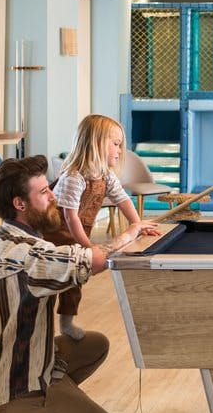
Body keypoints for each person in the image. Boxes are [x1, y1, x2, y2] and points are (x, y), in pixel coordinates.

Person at [0, 155, 159, 413]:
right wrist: (131, 232)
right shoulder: (28, 254)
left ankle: (45, 411)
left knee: (93, 344)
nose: (53, 195)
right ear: (20, 204)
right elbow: (93, 261)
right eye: (43, 192)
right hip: (16, 385)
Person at [51, 114, 156, 340]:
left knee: (74, 281)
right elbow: (70, 218)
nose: (120, 151)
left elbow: (123, 200)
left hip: (79, 231)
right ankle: (41, 324)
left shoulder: (105, 175)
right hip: (56, 234)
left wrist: (137, 224)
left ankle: (66, 323)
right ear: (97, 143)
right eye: (116, 144)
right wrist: (89, 248)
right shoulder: (74, 176)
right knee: (55, 279)